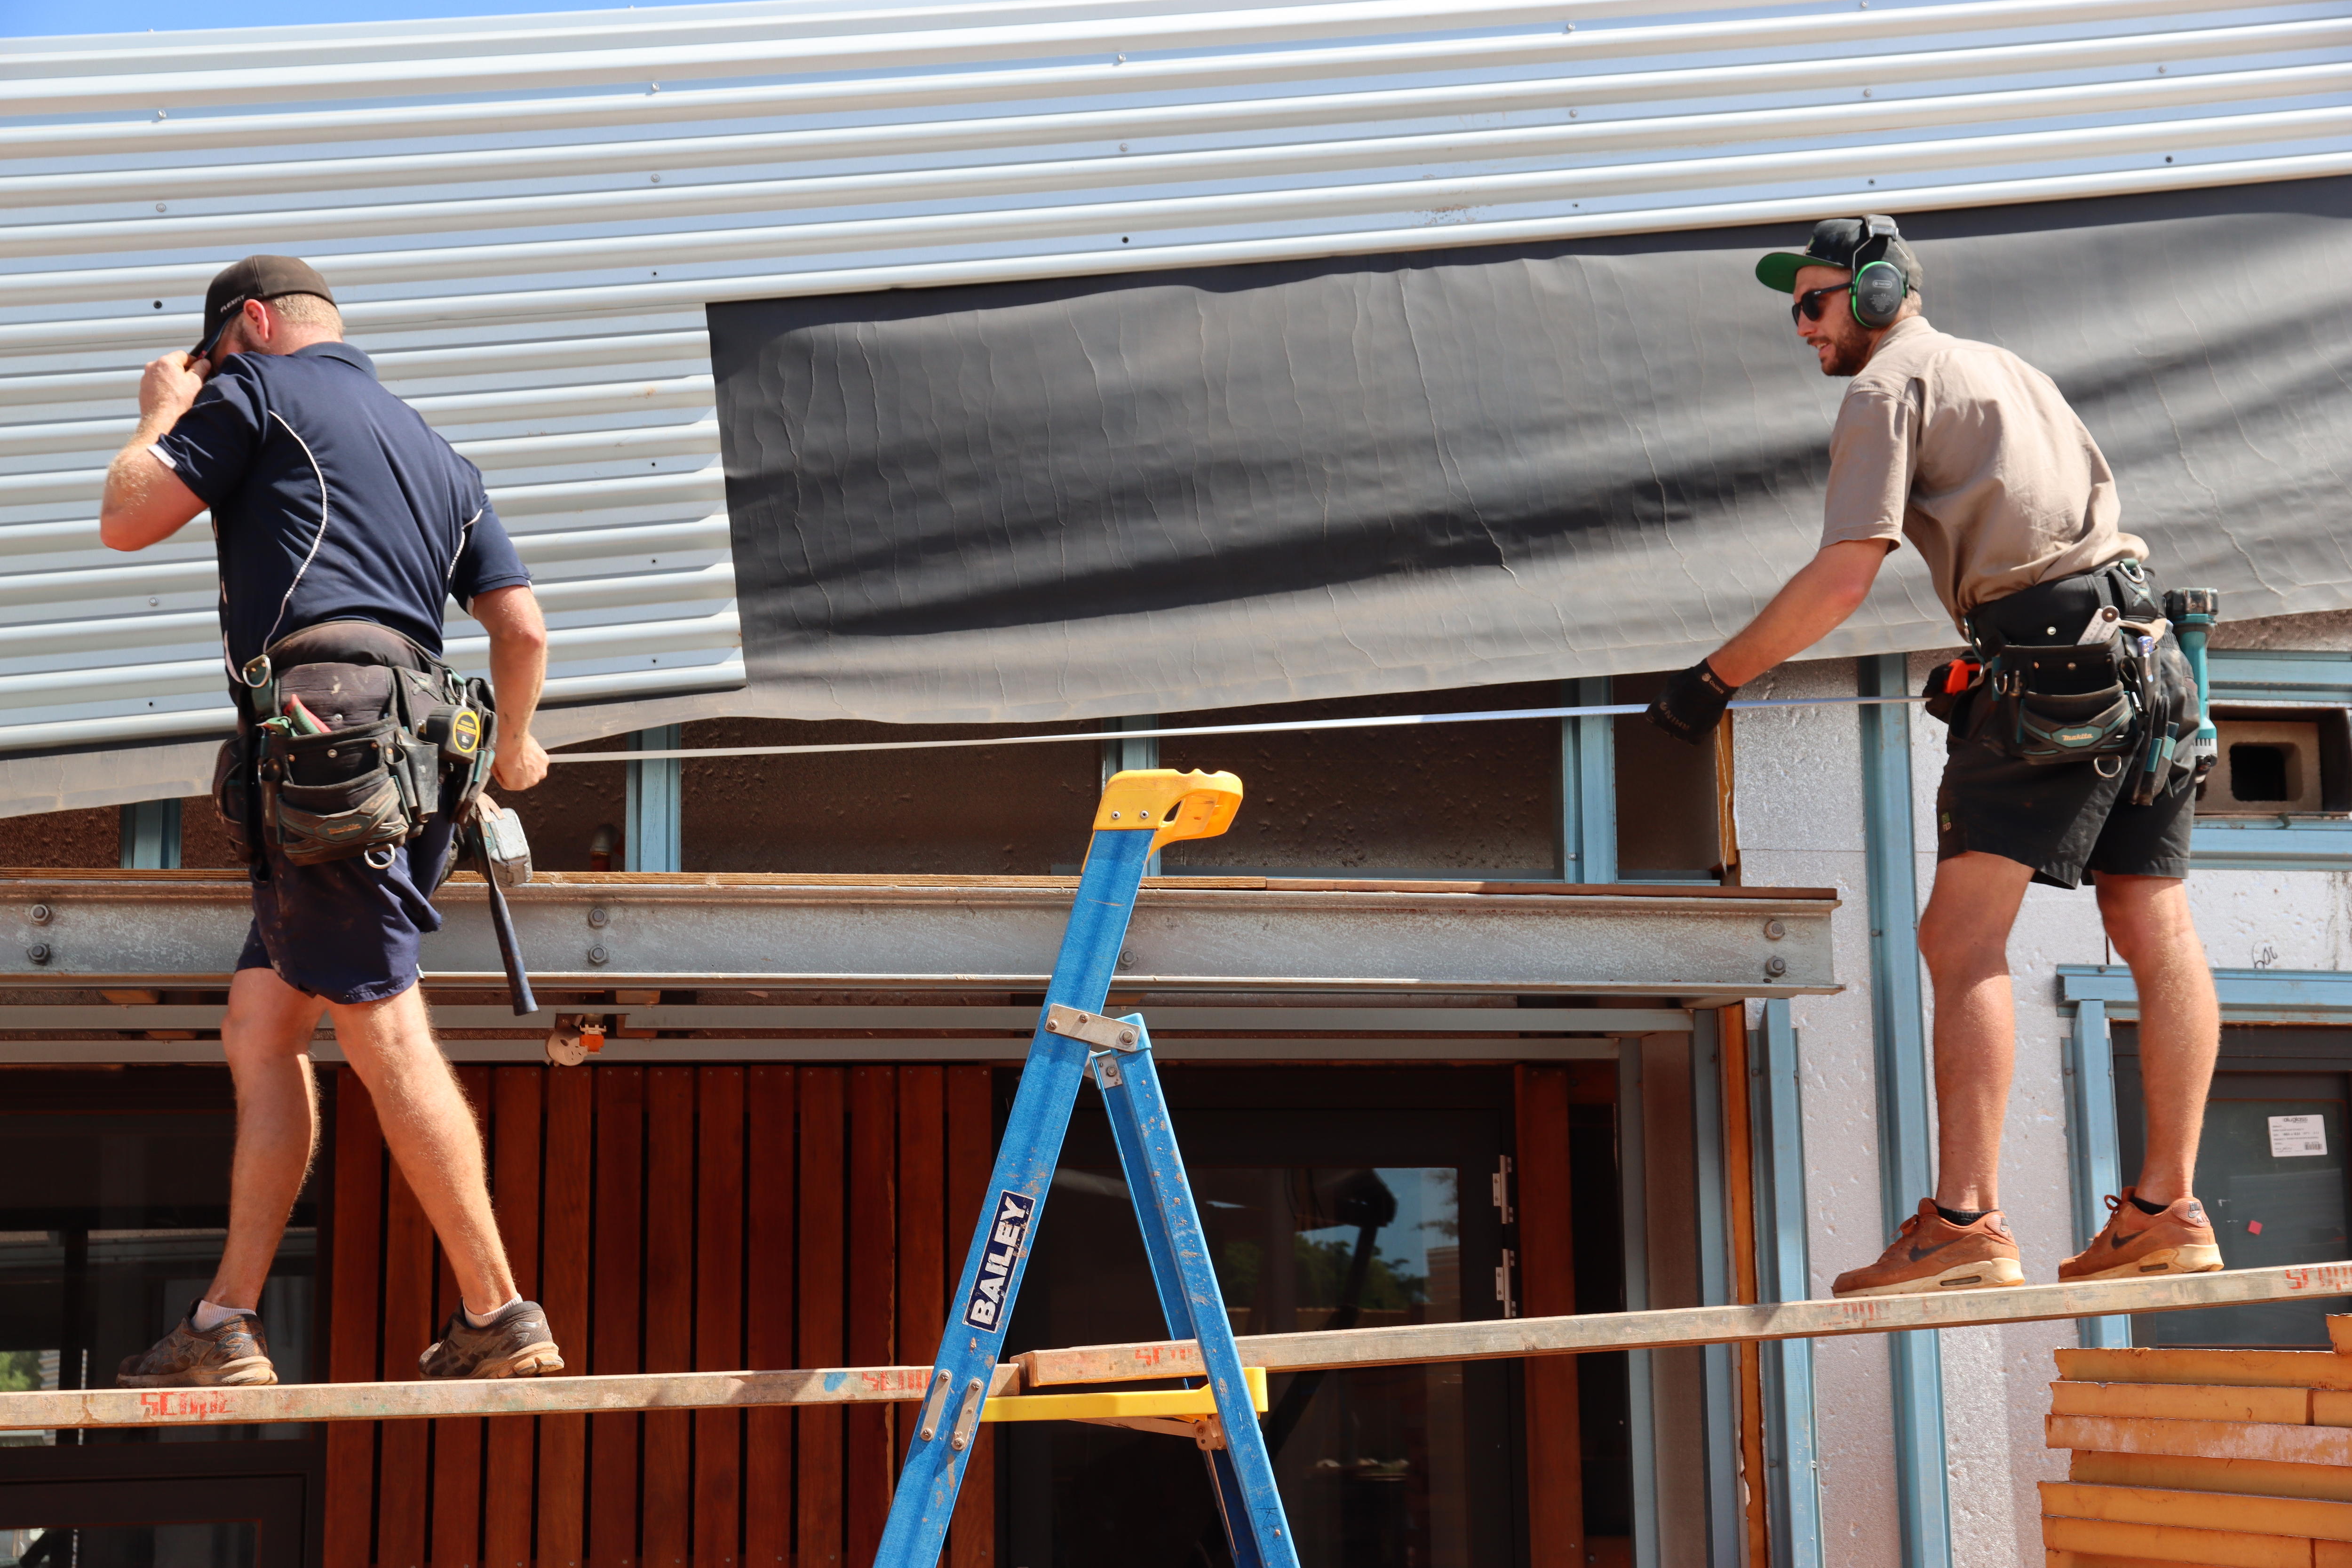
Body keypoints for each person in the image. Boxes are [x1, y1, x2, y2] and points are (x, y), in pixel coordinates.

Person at [1644, 216, 2223, 1299]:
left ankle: (1963, 1221)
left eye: (1812, 303)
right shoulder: (2009, 368)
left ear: (1873, 294)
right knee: (2155, 923)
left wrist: (1712, 680)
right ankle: (2165, 1210)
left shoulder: (1884, 386)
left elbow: (1843, 574)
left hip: (2052, 663)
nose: (1800, 327)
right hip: (2151, 658)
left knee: (1958, 937)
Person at [97, 256, 564, 1382]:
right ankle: (224, 1322)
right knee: (263, 1024)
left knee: (380, 1025)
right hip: (412, 763)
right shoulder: (437, 452)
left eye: (215, 352)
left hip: (325, 752)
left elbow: (126, 518)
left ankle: (499, 1310)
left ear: (252, 324)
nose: (208, 374)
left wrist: (163, 411)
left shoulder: (253, 390)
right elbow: (522, 628)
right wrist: (514, 746)